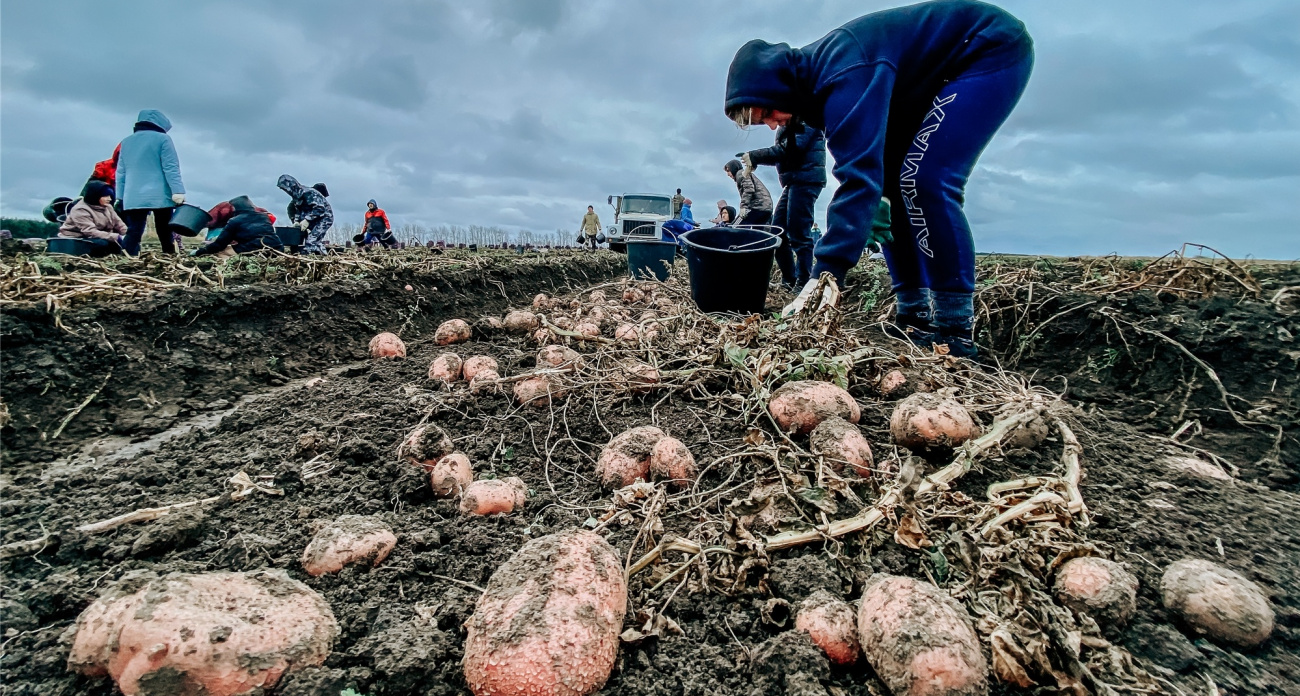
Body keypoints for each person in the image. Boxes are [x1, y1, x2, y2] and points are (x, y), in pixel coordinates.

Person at [724, 0, 1034, 356]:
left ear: (776, 83)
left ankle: (953, 328)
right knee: (888, 192)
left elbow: (857, 176)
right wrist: (876, 194)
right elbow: (870, 177)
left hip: (984, 50)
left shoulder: (844, 71)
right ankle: (913, 311)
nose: (774, 123)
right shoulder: (815, 97)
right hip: (914, 84)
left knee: (925, 180)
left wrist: (824, 275)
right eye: (762, 122)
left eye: (767, 112)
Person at [739, 120, 827, 290]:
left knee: (799, 231)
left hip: (806, 179)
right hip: (794, 180)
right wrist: (757, 159)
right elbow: (785, 152)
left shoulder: (805, 120)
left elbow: (790, 150)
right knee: (777, 231)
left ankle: (804, 281)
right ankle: (790, 279)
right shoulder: (790, 121)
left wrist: (755, 156)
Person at [116, 109, 185, 256]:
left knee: (134, 230)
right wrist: (178, 191)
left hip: (133, 194)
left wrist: (120, 196)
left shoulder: (126, 141)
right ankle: (169, 256)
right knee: (165, 230)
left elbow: (121, 172)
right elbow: (171, 167)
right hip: (160, 193)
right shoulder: (163, 139)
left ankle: (126, 258)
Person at [193, 196, 283, 257]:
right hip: (277, 248)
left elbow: (220, 244)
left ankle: (228, 268)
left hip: (253, 250)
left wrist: (199, 252)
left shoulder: (234, 221)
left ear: (235, 208)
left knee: (220, 253)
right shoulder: (264, 216)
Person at [56, 181, 126, 257]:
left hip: (99, 236)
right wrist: (117, 237)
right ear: (95, 196)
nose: (109, 199)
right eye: (105, 196)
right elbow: (90, 232)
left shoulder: (107, 207)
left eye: (110, 196)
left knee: (121, 244)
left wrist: (128, 235)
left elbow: (118, 223)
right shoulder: (80, 210)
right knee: (102, 244)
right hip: (77, 239)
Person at [277, 175, 334, 254]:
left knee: (311, 241)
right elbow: (297, 210)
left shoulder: (308, 192)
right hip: (312, 218)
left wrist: (307, 220)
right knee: (312, 240)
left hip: (324, 218)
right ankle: (323, 255)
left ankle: (313, 258)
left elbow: (320, 208)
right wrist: (296, 221)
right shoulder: (296, 196)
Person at [724, 159, 773, 226]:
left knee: (736, 227)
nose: (728, 174)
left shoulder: (740, 174)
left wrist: (743, 207)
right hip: (766, 208)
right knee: (756, 232)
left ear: (733, 168)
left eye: (728, 171)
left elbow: (749, 189)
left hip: (757, 207)